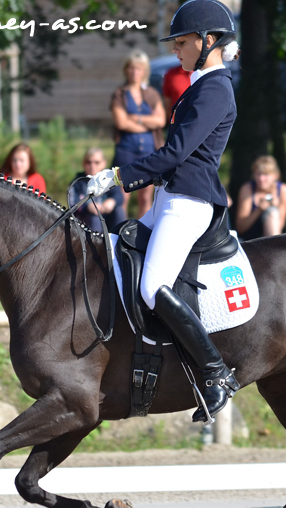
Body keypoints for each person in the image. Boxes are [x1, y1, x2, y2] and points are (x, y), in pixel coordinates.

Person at [87, 0, 241, 422]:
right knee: (118, 253)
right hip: (169, 199)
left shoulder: (215, 88)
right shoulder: (198, 84)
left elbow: (175, 154)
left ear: (208, 41)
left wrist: (116, 177)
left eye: (182, 41)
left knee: (153, 286)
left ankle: (215, 374)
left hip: (189, 202)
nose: (175, 48)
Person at [110, 50, 166, 218]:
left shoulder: (152, 94)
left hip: (149, 150)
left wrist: (136, 119)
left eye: (139, 68)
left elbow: (161, 121)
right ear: (126, 70)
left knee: (146, 196)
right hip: (126, 149)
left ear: (145, 71)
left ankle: (142, 232)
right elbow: (121, 122)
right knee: (123, 196)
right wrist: (147, 123)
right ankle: (120, 230)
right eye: (132, 68)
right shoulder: (120, 94)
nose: (135, 72)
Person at [68, 148, 126, 233]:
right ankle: (94, 245)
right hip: (86, 221)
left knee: (119, 211)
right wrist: (87, 207)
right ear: (83, 163)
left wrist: (112, 201)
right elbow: (72, 204)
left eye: (96, 162)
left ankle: (122, 240)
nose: (92, 166)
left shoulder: (109, 179)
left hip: (107, 217)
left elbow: (119, 196)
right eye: (89, 162)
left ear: (103, 163)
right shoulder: (77, 183)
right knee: (94, 218)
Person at [236, 156, 286, 240]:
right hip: (249, 240)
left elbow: (279, 228)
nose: (261, 179)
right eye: (258, 174)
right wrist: (259, 210)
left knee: (272, 212)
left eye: (266, 174)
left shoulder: (282, 190)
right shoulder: (247, 189)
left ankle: (271, 249)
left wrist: (274, 207)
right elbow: (240, 228)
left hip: (271, 240)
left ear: (275, 175)